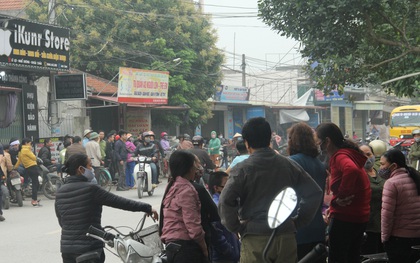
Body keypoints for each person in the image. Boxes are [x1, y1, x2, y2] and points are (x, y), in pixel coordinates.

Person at [219, 117, 323, 263]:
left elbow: (225, 201)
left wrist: (236, 226)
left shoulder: (242, 169)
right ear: (270, 139)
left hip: (255, 239)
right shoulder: (289, 165)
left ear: (247, 143)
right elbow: (314, 193)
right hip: (286, 237)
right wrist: (298, 221)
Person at [55, 153, 158, 263]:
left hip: (67, 251)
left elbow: (62, 221)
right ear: (81, 169)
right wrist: (147, 208)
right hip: (89, 249)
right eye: (90, 166)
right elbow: (120, 202)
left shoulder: (60, 192)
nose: (92, 169)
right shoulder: (91, 189)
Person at [315, 122, 371, 263]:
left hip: (346, 218)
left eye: (319, 142)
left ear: (327, 141)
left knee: (338, 258)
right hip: (359, 217)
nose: (318, 147)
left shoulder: (340, 156)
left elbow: (351, 170)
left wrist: (342, 195)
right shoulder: (348, 153)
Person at [159, 150, 209, 263]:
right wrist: (204, 248)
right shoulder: (187, 189)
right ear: (189, 168)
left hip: (171, 246)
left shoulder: (172, 185)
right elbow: (193, 226)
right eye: (194, 166)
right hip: (185, 248)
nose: (196, 170)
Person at [287, 122, 327, 261]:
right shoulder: (319, 164)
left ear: (293, 140)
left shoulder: (291, 162)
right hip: (317, 228)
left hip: (298, 229)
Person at [380, 149, 420, 263]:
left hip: (400, 239)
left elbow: (387, 215)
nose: (380, 168)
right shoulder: (415, 177)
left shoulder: (391, 183)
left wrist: (384, 238)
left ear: (393, 166)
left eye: (383, 164)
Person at [208, 171, 240, 263]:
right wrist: (229, 251)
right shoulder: (216, 206)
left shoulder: (226, 203)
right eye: (226, 185)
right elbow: (216, 236)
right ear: (216, 188)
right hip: (223, 257)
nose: (231, 188)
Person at [359, 144, 385, 254]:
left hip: (384, 224)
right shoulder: (358, 174)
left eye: (369, 154)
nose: (366, 157)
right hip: (367, 226)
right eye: (362, 155)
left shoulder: (382, 172)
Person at [14, 138, 42, 207]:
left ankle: (34, 198)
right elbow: (34, 158)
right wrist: (32, 152)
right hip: (33, 167)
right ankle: (34, 200)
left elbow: (19, 161)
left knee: (35, 183)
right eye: (30, 143)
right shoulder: (26, 150)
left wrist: (14, 168)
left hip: (28, 168)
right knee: (35, 184)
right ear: (26, 143)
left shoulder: (21, 151)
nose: (30, 145)